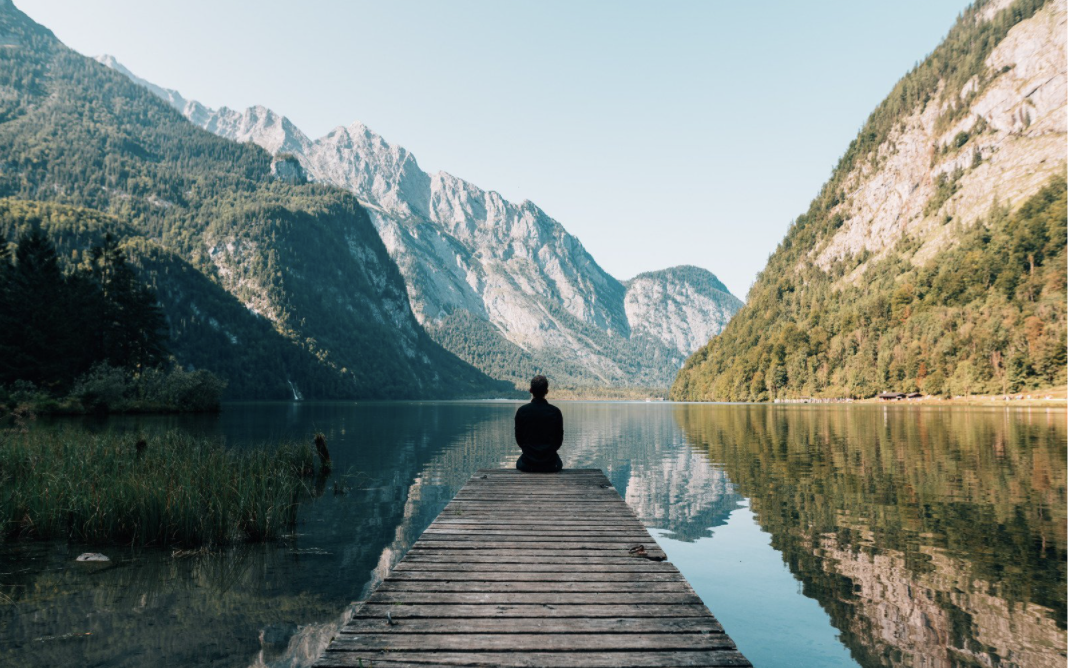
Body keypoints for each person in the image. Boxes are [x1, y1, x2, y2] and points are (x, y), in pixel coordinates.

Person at [513, 375, 563, 473]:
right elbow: (559, 440)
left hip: (527, 465)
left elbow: (519, 439)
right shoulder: (555, 412)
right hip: (551, 465)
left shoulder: (522, 411)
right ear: (547, 391)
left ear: (530, 390)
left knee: (519, 462)